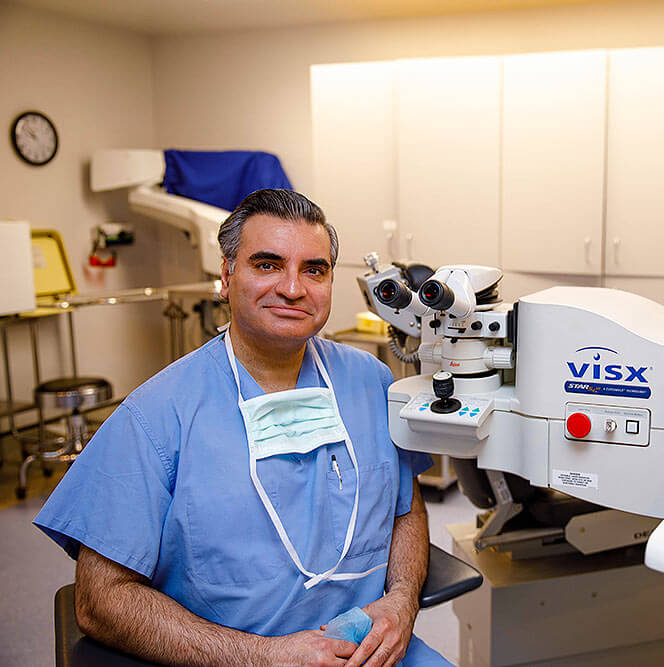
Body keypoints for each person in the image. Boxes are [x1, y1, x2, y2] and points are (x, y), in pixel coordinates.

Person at [34, 189, 452, 667]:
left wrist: (401, 601)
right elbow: (99, 599)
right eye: (268, 264)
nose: (293, 288)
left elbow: (406, 509)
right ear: (227, 276)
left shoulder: (370, 381)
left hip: (375, 654)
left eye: (314, 270)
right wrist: (263, 656)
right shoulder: (156, 415)